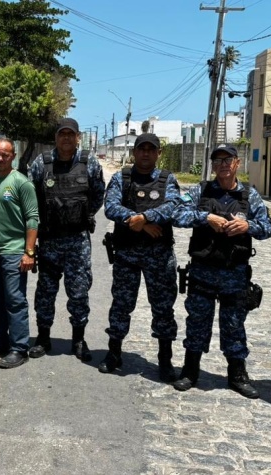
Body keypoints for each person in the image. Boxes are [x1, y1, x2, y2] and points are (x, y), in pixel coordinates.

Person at [172, 144, 271, 398]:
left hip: (234, 272)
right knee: (196, 322)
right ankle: (190, 370)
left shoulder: (249, 195)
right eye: (217, 161)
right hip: (202, 271)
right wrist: (205, 218)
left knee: (234, 325)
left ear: (237, 163)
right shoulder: (201, 191)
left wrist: (246, 226)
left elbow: (268, 228)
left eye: (227, 160)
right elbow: (176, 214)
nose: (222, 165)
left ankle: (237, 374)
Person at [99, 133, 181, 379]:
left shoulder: (167, 180)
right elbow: (111, 207)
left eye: (151, 149)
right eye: (141, 149)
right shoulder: (121, 177)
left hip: (159, 256)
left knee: (163, 307)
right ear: (135, 152)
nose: (146, 153)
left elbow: (175, 206)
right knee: (121, 304)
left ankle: (164, 360)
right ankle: (114, 353)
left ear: (158, 153)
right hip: (127, 254)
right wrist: (141, 224)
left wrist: (145, 218)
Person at [27, 117, 105, 361]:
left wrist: (82, 215)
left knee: (79, 291)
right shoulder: (42, 162)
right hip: (50, 239)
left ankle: (78, 339)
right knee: (46, 292)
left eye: (71, 134)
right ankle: (43, 338)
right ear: (56, 137)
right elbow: (32, 194)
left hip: (77, 240)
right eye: (62, 134)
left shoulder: (88, 162)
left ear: (78, 137)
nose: (67, 138)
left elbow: (98, 194)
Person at [0, 138, 39, 369]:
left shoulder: (21, 183)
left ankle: (19, 348)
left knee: (15, 301)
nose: (1, 158)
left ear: (13, 156)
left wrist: (29, 253)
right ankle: (0, 342)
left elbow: (33, 219)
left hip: (14, 253)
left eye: (5, 154)